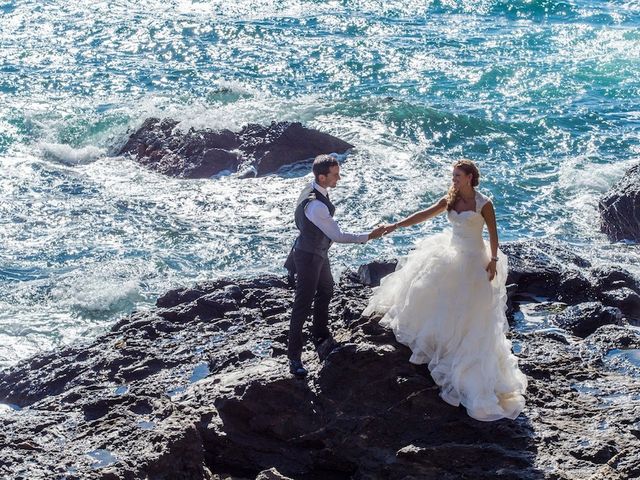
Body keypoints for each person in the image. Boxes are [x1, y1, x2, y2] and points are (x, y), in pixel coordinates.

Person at [364, 159, 527, 421]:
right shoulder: (450, 198)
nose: (454, 179)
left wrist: (494, 261)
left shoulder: (484, 204)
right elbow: (424, 214)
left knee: (470, 317)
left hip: (474, 262)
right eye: (453, 175)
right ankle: (439, 345)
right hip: (450, 255)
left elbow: (494, 235)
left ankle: (466, 364)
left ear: (471, 177)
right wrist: (395, 226)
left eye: (458, 175)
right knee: (432, 299)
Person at [285, 154, 386, 377]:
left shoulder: (314, 190)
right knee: (302, 304)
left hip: (318, 253)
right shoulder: (315, 206)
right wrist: (370, 235)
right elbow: (338, 235)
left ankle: (320, 334)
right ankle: (294, 357)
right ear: (322, 177)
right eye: (335, 175)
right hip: (309, 257)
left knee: (326, 290)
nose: (339, 178)